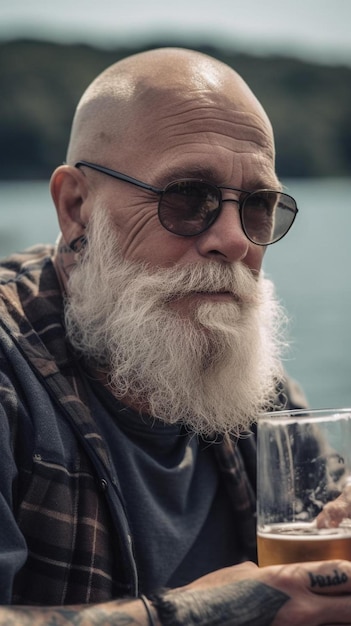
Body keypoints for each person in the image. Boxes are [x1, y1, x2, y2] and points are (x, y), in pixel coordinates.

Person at [0, 46, 350, 626]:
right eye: (187, 197)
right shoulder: (13, 378)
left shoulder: (250, 378)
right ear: (76, 208)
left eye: (258, 206)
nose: (235, 240)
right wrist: (207, 614)